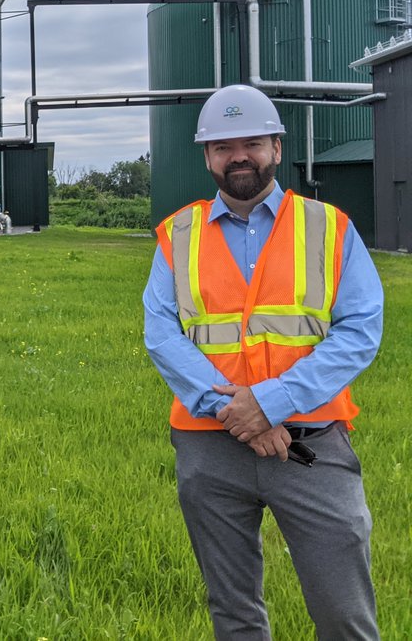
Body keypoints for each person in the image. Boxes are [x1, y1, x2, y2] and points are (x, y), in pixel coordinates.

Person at [143, 84, 382, 640]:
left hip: (310, 448)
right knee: (234, 614)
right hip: (210, 449)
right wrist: (237, 414)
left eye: (252, 142)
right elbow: (162, 334)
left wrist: (273, 402)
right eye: (223, 147)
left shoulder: (328, 227)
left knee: (344, 615)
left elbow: (360, 330)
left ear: (276, 147)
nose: (239, 156)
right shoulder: (177, 235)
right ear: (207, 157)